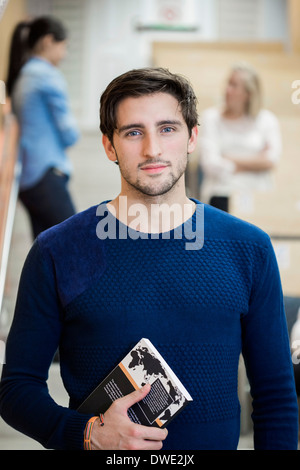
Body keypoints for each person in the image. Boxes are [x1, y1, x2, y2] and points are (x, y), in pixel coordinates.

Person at [0, 67, 298, 450]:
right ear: (109, 145)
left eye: (168, 129)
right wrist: (89, 434)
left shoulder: (248, 248)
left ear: (192, 137)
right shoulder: (58, 250)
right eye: (133, 132)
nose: (152, 149)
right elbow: (16, 389)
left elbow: (274, 397)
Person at [6, 16, 79, 239]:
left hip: (28, 177)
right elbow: (70, 135)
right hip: (46, 174)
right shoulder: (47, 76)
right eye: (63, 46)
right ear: (49, 41)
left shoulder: (24, 74)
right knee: (74, 240)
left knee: (45, 249)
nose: (64, 54)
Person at [199, 62, 281, 212]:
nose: (227, 90)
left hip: (258, 197)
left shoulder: (267, 120)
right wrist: (257, 162)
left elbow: (271, 160)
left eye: (234, 85)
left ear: (248, 94)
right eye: (228, 83)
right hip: (220, 194)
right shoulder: (211, 118)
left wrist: (228, 157)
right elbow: (210, 164)